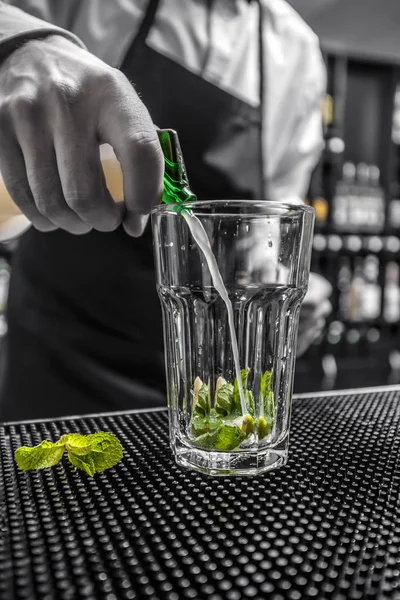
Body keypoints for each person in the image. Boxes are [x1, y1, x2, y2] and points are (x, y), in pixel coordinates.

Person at [0, 0, 331, 421]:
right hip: (62, 349)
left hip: (204, 377)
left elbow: (269, 223)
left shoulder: (295, 49)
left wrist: (280, 281)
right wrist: (18, 44)